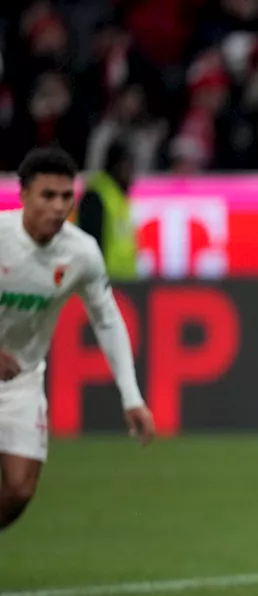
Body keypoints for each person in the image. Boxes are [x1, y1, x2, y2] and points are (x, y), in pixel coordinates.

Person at [0, 147, 155, 531]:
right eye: (47, 196)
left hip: (21, 378)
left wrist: (131, 396)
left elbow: (106, 319)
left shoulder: (81, 252)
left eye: (66, 196)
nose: (58, 206)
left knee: (19, 491)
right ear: (24, 196)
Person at [75, 140, 139, 282]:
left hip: (125, 282)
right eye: (129, 167)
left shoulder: (118, 197)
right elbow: (91, 243)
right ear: (117, 166)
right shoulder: (96, 196)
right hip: (105, 282)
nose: (132, 174)